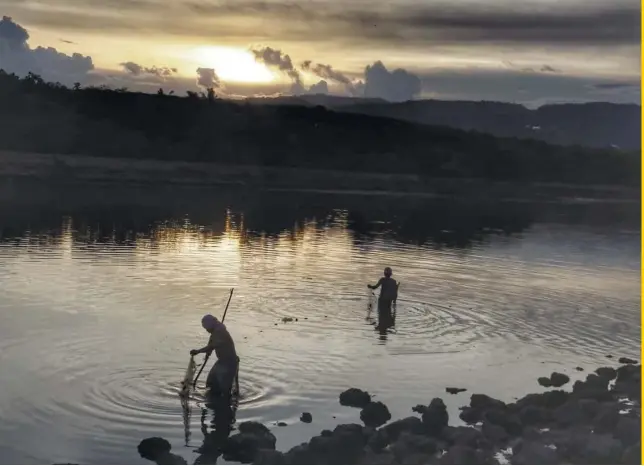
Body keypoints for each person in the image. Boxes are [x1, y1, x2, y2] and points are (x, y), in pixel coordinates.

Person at [191, 314, 239, 399]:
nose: (206, 330)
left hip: (228, 363)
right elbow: (211, 345)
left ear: (210, 326)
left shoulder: (220, 333)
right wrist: (207, 352)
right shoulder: (216, 331)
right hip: (221, 362)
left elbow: (211, 346)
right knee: (211, 383)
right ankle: (214, 399)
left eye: (207, 328)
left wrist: (198, 351)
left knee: (225, 388)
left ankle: (225, 404)